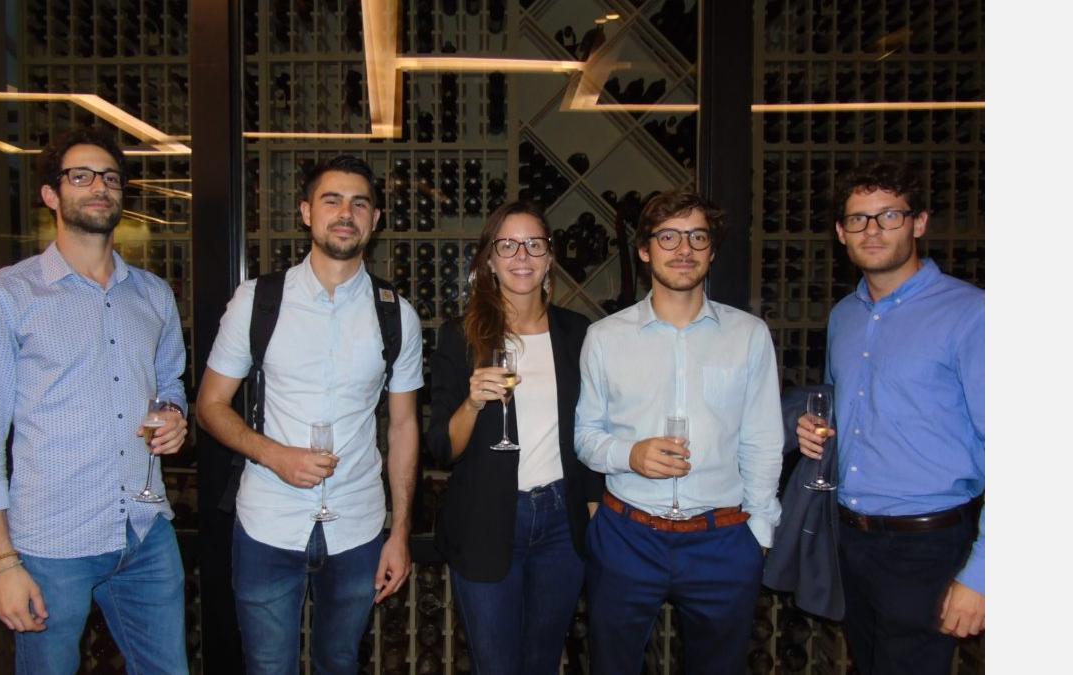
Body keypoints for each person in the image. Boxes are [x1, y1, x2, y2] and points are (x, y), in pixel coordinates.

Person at [0, 127, 191, 674]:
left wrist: (174, 415)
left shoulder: (153, 294)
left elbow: (170, 382)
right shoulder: (3, 295)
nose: (99, 186)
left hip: (145, 530)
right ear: (51, 194)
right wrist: (0, 562)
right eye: (81, 176)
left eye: (110, 177)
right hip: (51, 542)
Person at [195, 155, 423, 675]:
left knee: (339, 663)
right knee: (267, 667)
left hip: (358, 526)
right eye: (331, 200)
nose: (346, 213)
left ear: (375, 220)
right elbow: (209, 405)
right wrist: (274, 455)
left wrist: (400, 532)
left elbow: (404, 427)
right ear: (306, 212)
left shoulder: (396, 314)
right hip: (268, 523)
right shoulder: (257, 301)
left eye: (359, 204)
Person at [574, 188, 783, 675]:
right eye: (668, 236)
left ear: (712, 251)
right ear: (645, 250)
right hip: (628, 537)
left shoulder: (748, 335)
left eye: (697, 237)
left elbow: (762, 439)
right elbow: (585, 435)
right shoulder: (604, 338)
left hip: (722, 539)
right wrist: (630, 455)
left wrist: (759, 533)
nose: (684, 249)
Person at [795, 159, 984, 675]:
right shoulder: (844, 316)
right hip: (851, 539)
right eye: (858, 219)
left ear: (918, 223)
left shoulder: (973, 314)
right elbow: (849, 411)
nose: (872, 230)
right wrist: (817, 430)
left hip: (928, 546)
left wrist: (982, 576)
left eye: (889, 216)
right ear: (841, 232)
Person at [425, 201, 603, 675]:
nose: (521, 255)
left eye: (533, 244)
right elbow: (441, 447)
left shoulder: (578, 333)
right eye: (507, 245)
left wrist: (593, 508)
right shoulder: (460, 336)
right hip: (486, 518)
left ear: (549, 257)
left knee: (542, 661)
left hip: (561, 522)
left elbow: (591, 430)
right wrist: (472, 403)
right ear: (489, 259)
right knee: (496, 665)